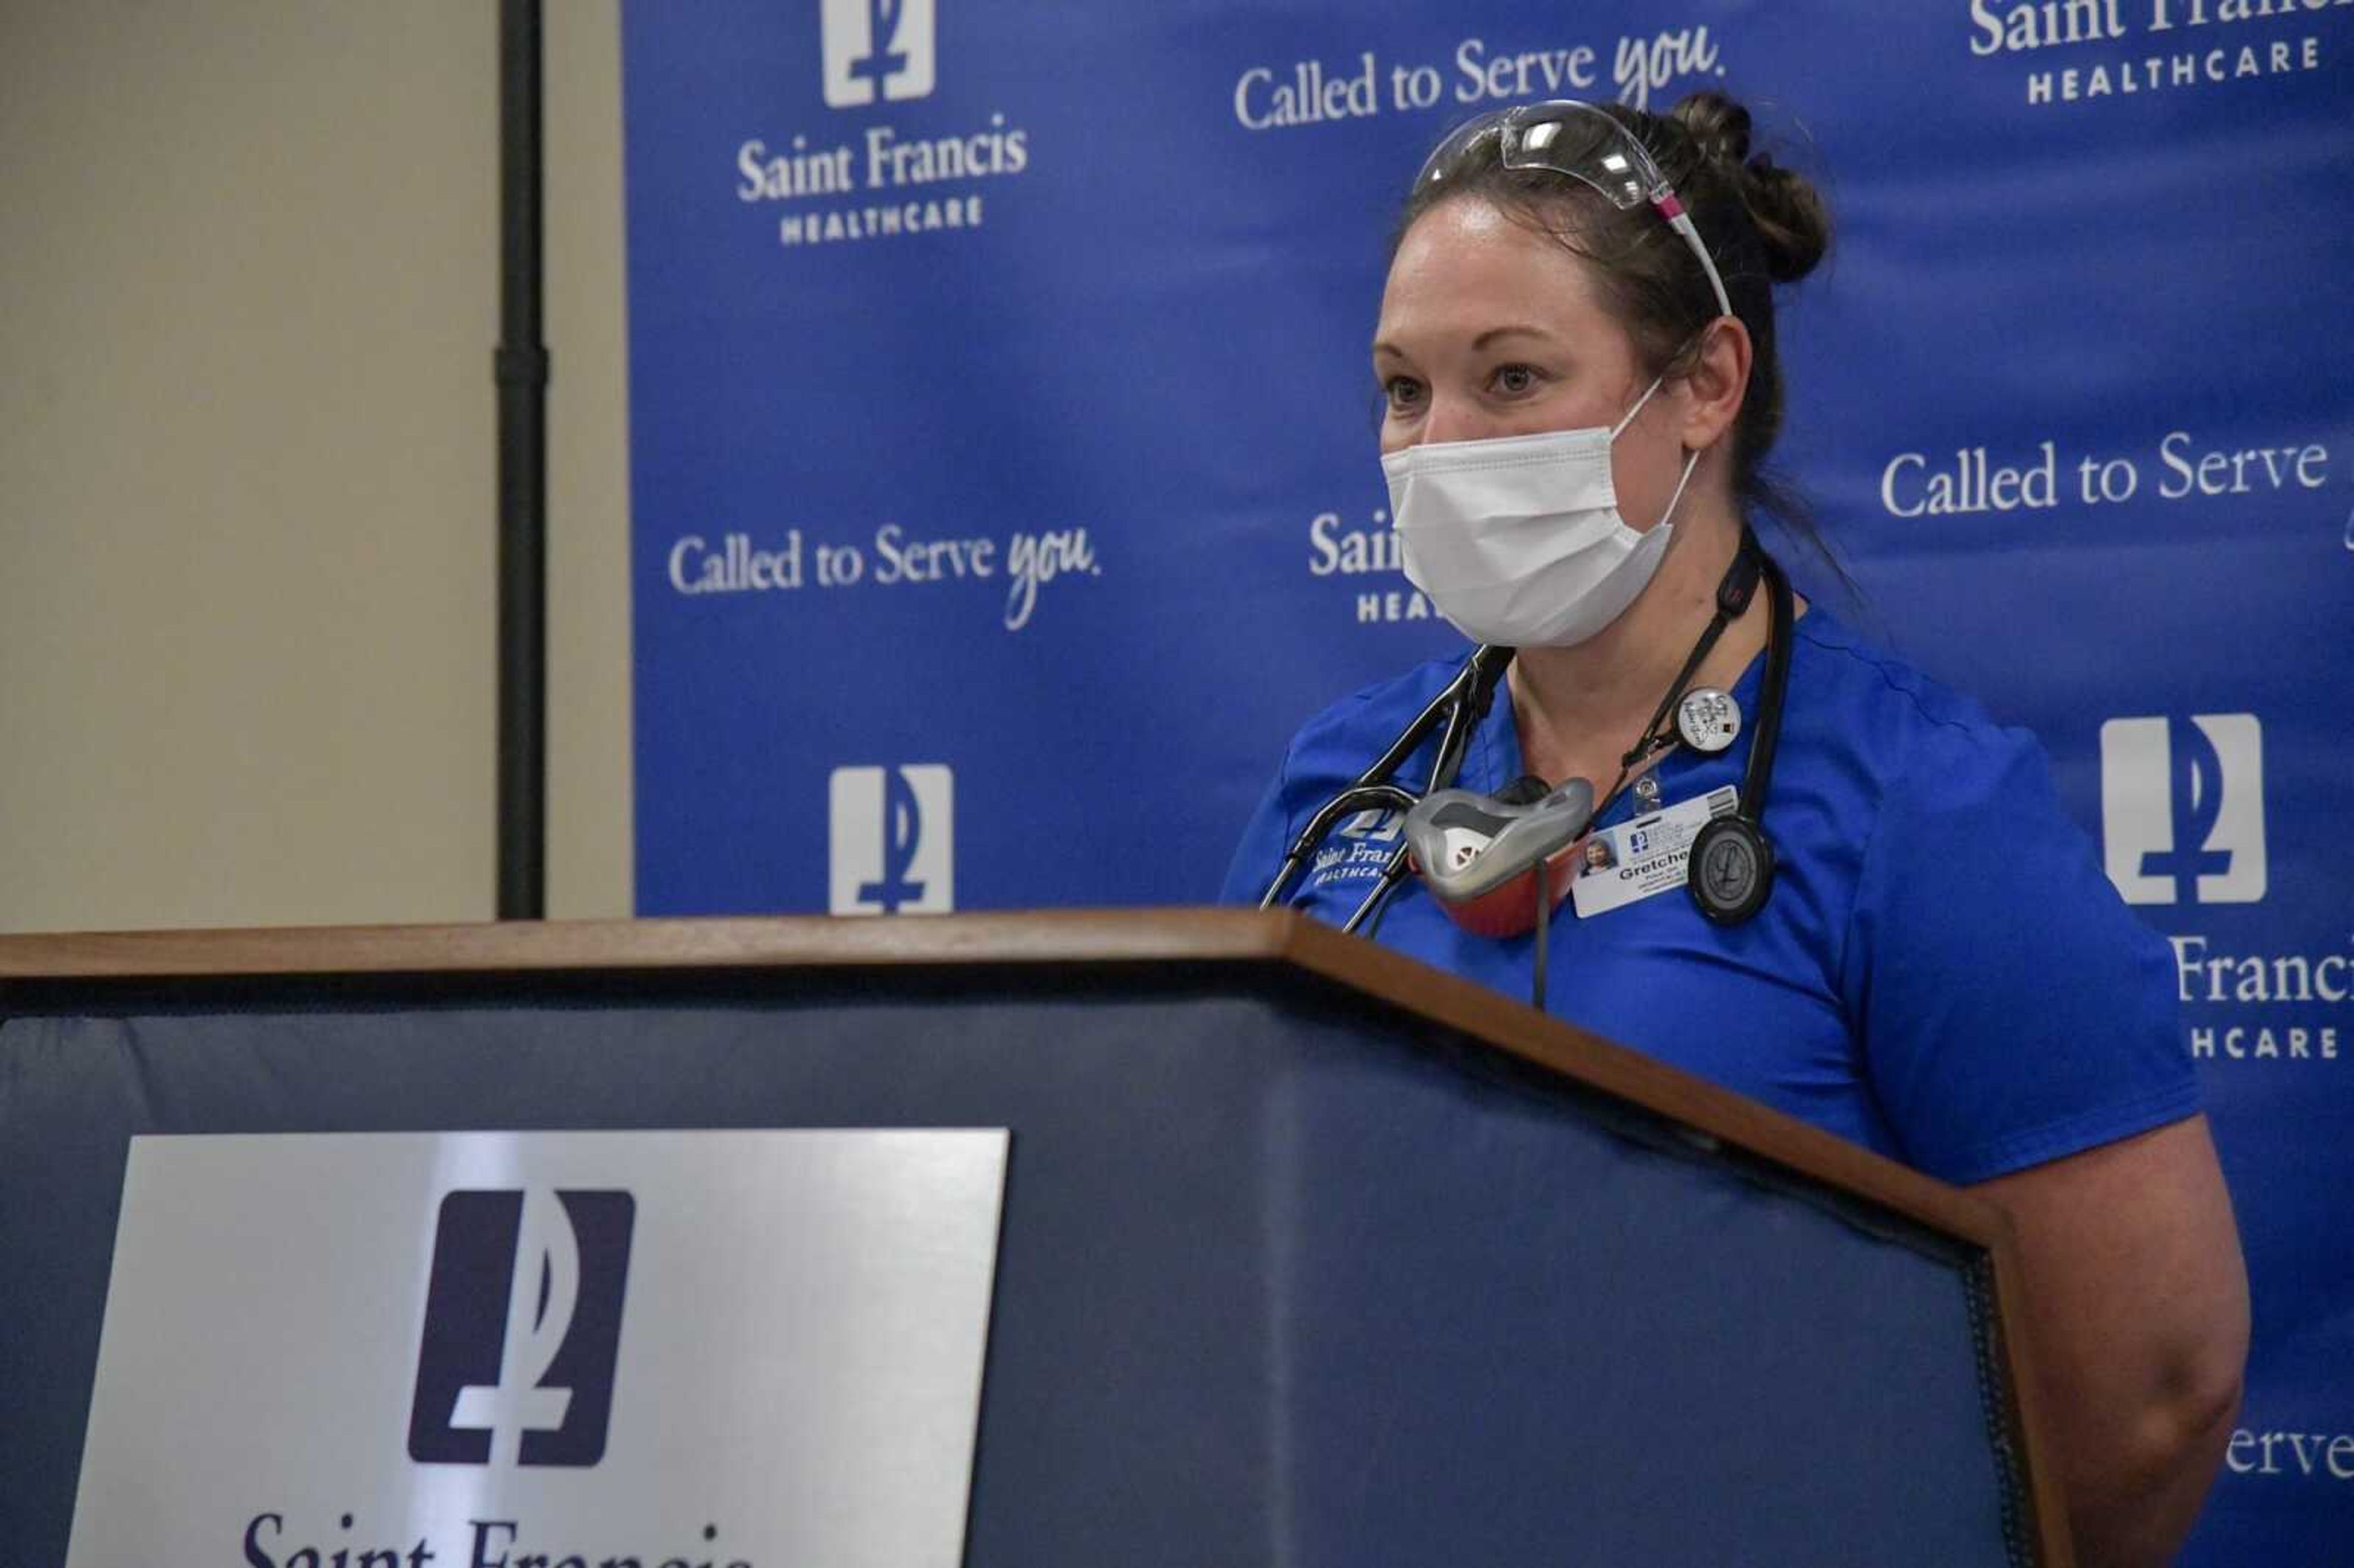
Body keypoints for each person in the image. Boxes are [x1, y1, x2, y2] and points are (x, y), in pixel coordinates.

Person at [1221, 91, 2247, 1567]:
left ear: (1703, 382)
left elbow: (2151, 1396)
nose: (1437, 449)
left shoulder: (1917, 804)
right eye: (1402, 389)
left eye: (1510, 380)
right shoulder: (1338, 786)